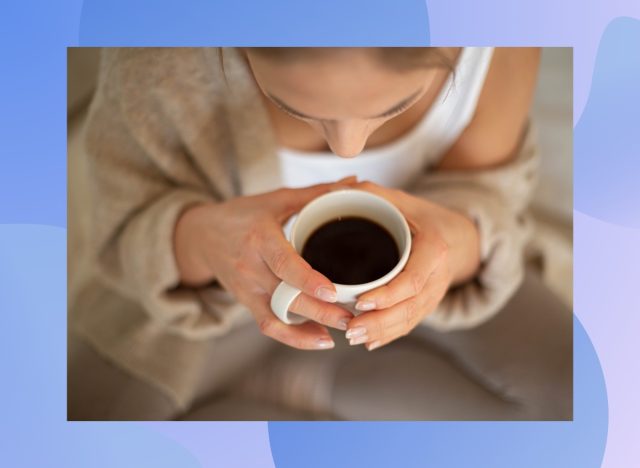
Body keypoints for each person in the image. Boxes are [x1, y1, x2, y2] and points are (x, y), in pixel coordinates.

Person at [68, 47, 572, 420]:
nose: (347, 152)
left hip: (433, 298)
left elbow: (486, 191)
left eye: (395, 107)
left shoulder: (499, 41)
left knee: (582, 399)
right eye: (293, 106)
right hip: (212, 309)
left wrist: (454, 247)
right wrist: (201, 239)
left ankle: (314, 378)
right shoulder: (156, 59)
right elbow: (123, 224)